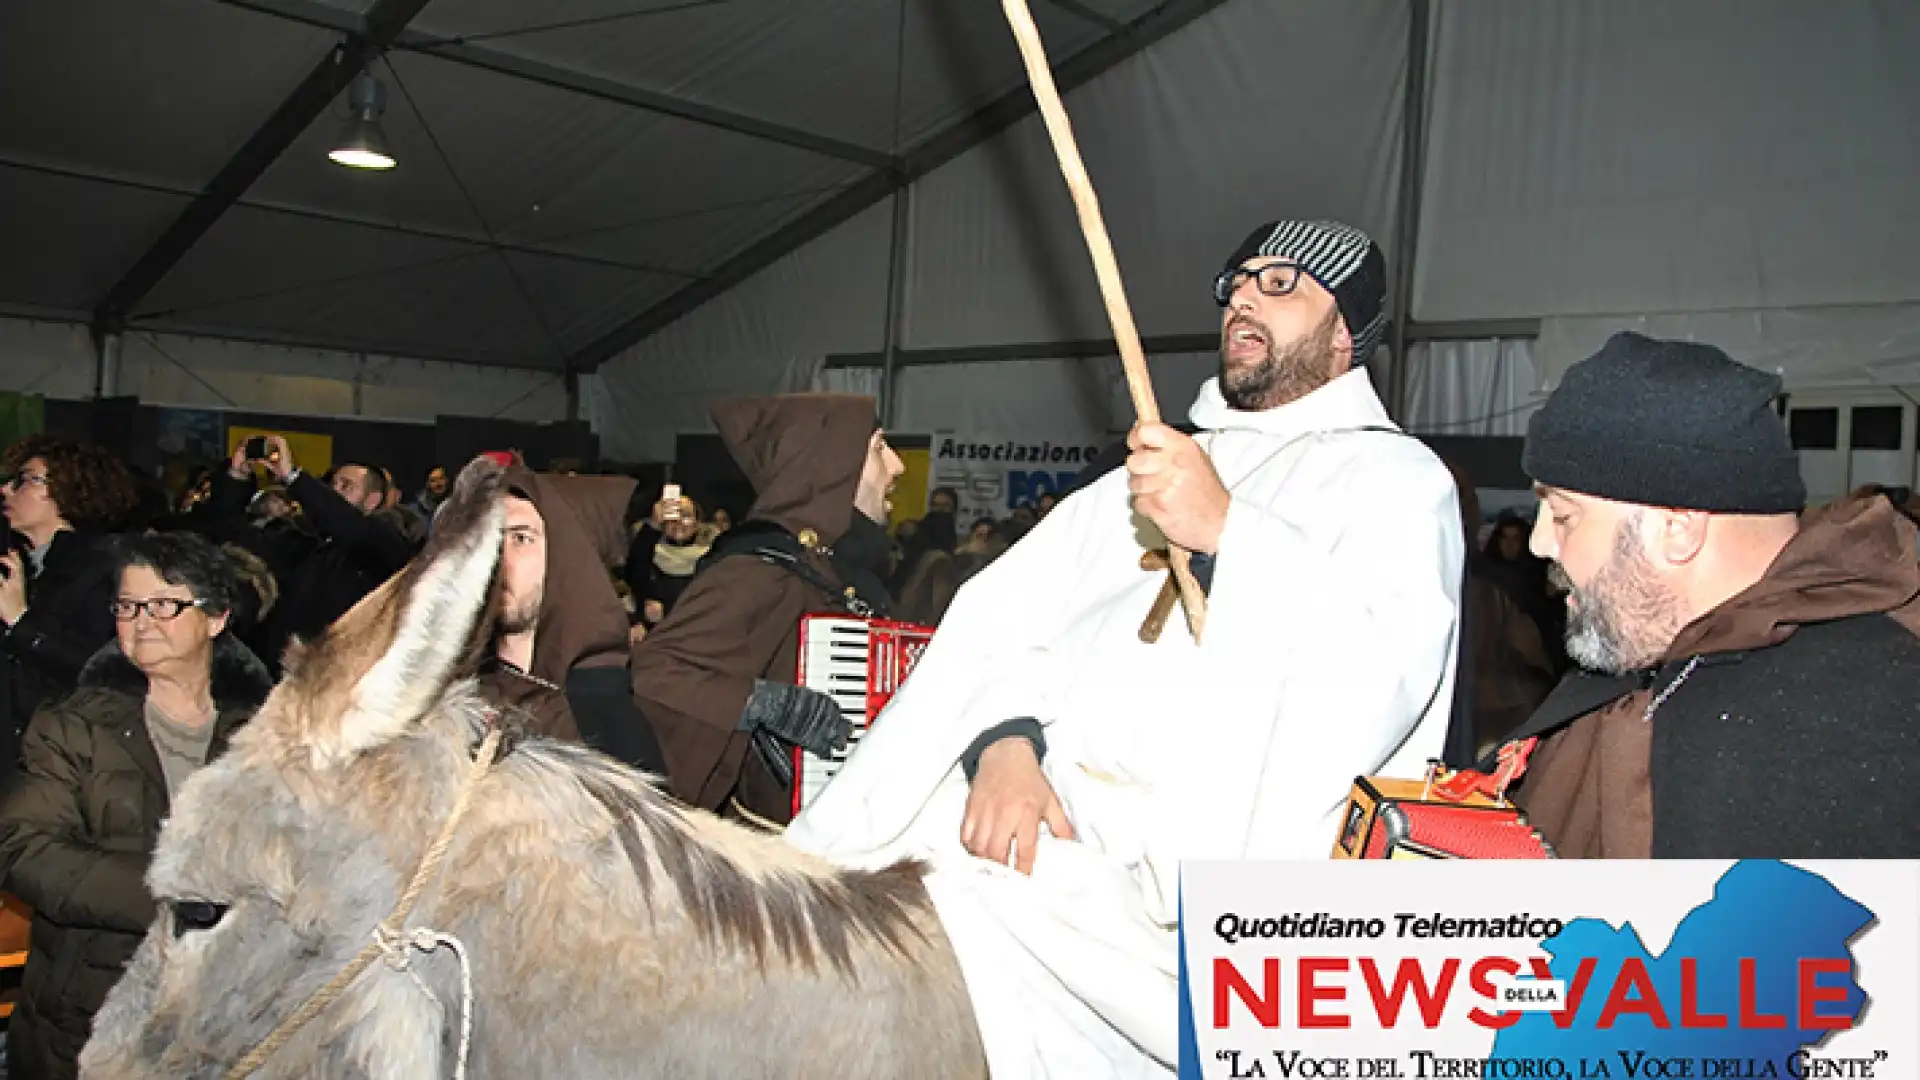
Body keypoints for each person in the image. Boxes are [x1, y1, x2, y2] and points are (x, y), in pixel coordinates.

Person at [786, 219, 1464, 1076]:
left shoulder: (1397, 483)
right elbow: (1000, 623)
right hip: (1037, 818)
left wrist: (1227, 531)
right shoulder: (1147, 471)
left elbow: (1377, 680)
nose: (1246, 297)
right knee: (843, 915)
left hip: (1186, 898)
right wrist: (1004, 747)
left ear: (1344, 333)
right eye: (1238, 283)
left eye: (1283, 283)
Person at [1492, 331, 1920, 859]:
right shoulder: (1649, 648)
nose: (1539, 542)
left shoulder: (1868, 726)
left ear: (1678, 530)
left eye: (1563, 515)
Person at [0, 532, 272, 1080]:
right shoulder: (75, 723)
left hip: (227, 1018)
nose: (141, 621)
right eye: (127, 606)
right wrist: (176, 895)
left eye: (164, 605)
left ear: (216, 618)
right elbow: (24, 847)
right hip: (89, 1012)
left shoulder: (266, 737)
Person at [631, 394, 905, 825]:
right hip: (774, 859)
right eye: (878, 448)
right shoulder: (759, 568)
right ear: (831, 465)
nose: (896, 466)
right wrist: (762, 704)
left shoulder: (838, 568)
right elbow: (652, 674)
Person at [478, 462, 667, 774]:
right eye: (493, 538)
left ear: (569, 560)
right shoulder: (452, 695)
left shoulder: (603, 719)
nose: (499, 556)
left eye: (521, 539)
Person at [209, 437, 414, 673]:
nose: (334, 491)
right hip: (278, 680)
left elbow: (349, 525)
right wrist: (236, 476)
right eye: (332, 484)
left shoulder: (384, 544)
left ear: (372, 501)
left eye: (346, 486)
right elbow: (232, 534)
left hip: (340, 681)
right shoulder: (300, 542)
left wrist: (294, 477)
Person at [1, 437, 140, 785]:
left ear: (69, 491)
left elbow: (104, 667)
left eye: (26, 480)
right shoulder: (25, 564)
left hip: (57, 767)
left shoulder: (103, 569)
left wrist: (21, 622)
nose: (6, 489)